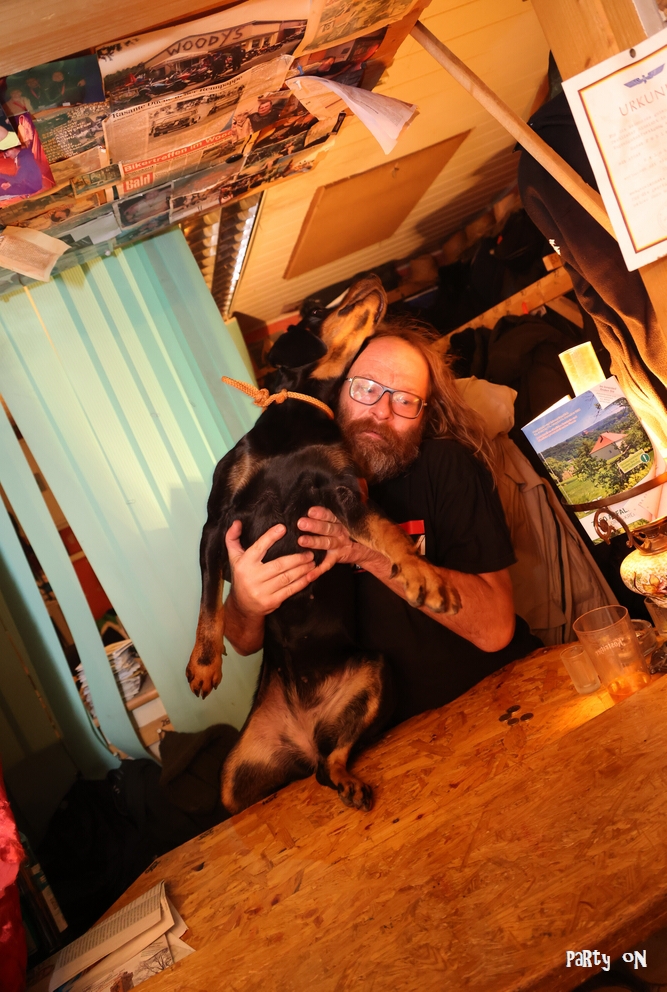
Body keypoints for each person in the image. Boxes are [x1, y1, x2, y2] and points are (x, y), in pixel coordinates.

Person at [222, 322, 542, 726]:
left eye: (405, 400)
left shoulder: (447, 468)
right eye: (366, 388)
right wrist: (245, 603)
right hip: (376, 738)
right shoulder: (281, 489)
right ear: (335, 390)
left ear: (425, 415)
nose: (381, 411)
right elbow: (242, 640)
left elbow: (495, 629)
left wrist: (369, 553)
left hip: (495, 700)